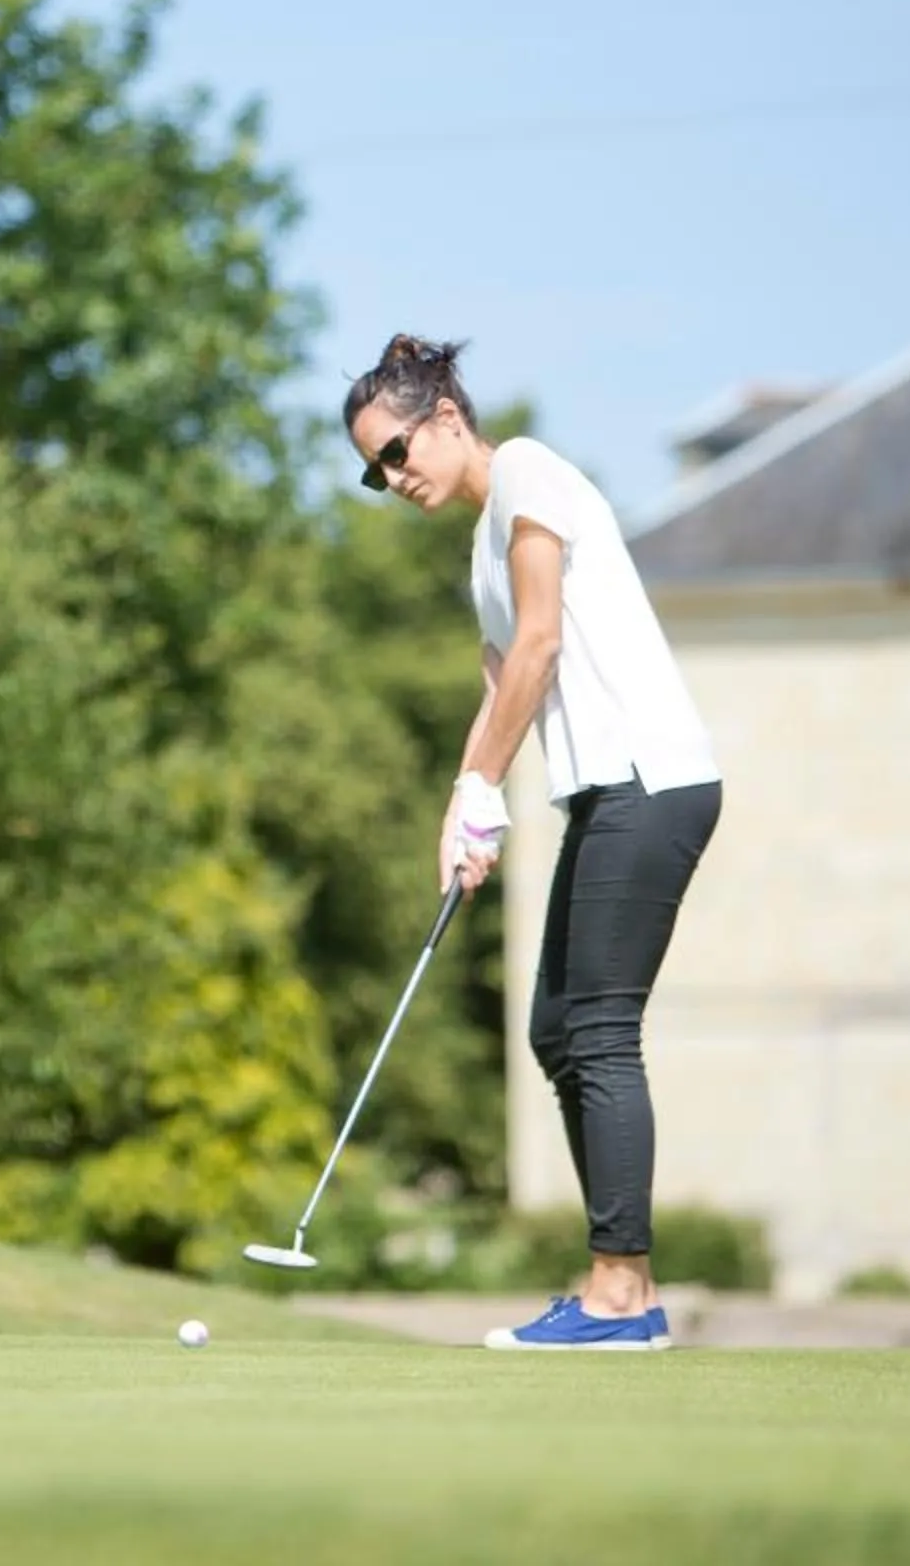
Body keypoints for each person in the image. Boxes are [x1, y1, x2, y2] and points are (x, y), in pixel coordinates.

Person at [345, 334, 722, 1352]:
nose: (392, 478)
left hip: (650, 779)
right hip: (602, 795)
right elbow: (500, 688)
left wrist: (482, 787)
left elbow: (543, 643)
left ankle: (618, 1292)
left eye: (395, 451)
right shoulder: (484, 555)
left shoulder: (527, 472)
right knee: (557, 1031)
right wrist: (463, 810)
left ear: (446, 418)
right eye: (374, 470)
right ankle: (628, 1290)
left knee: (598, 1029)